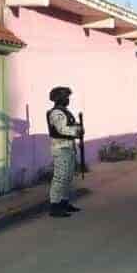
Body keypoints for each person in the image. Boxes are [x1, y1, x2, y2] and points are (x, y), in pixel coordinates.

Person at [46, 86, 84, 218]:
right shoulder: (56, 113)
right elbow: (62, 130)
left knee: (67, 177)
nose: (68, 99)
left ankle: (64, 202)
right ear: (59, 98)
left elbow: (69, 127)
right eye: (66, 97)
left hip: (68, 147)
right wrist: (77, 131)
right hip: (61, 148)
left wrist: (77, 128)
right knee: (60, 178)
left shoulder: (64, 112)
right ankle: (55, 206)